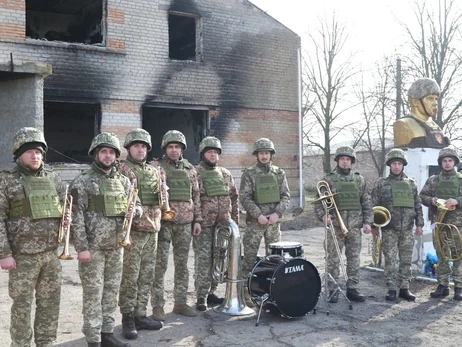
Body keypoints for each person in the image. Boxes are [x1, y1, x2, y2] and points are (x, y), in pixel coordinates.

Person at [70, 132, 142, 347]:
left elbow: (135, 203)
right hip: (93, 249)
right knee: (93, 294)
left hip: (116, 246)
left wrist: (136, 211)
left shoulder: (123, 181)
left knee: (111, 291)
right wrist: (81, 248)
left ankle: (107, 333)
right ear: (95, 154)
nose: (108, 156)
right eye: (103, 151)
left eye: (111, 152)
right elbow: (75, 217)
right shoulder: (83, 181)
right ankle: (93, 339)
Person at [0, 127, 65, 347]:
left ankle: (45, 343)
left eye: (38, 152)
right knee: (22, 306)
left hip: (50, 255)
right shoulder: (6, 181)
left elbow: (67, 210)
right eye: (30, 152)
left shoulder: (53, 179)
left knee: (50, 304)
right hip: (22, 257)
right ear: (18, 154)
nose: (35, 156)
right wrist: (4, 253)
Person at [150, 130, 203, 320]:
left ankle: (180, 303)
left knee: (182, 264)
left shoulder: (191, 169)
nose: (174, 150)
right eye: (171, 147)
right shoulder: (156, 167)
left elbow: (196, 196)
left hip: (185, 224)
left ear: (182, 149)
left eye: (177, 147)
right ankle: (157, 306)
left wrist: (197, 220)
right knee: (160, 265)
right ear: (165, 148)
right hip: (164, 223)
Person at [118, 129, 163, 340]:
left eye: (144, 146)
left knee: (147, 275)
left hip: (152, 229)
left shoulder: (154, 170)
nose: (140, 149)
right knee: (130, 277)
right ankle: (127, 317)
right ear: (128, 148)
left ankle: (141, 314)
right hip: (133, 232)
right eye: (136, 146)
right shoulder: (122, 170)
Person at [314, 146, 373, 303]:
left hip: (354, 227)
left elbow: (366, 203)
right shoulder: (327, 180)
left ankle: (352, 289)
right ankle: (332, 290)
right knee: (333, 259)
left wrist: (368, 222)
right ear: (338, 160)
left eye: (348, 159)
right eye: (342, 159)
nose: (345, 162)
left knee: (353, 259)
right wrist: (323, 216)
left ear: (351, 161)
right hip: (335, 226)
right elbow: (318, 204)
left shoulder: (360, 180)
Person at [240, 138, 290, 307]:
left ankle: (271, 292)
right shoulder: (249, 173)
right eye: (261, 153)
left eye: (266, 153)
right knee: (249, 259)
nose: (264, 156)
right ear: (256, 155)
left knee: (275, 259)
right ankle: (246, 295)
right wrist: (258, 214)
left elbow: (286, 195)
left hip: (274, 223)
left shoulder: (279, 173)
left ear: (271, 155)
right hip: (256, 223)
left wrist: (277, 213)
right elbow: (244, 197)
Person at [371, 148, 424, 301]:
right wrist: (373, 226)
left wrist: (419, 224)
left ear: (403, 165)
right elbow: (373, 205)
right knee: (390, 259)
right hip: (389, 229)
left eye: (399, 163)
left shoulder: (412, 184)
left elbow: (418, 205)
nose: (396, 166)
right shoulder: (381, 184)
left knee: (406, 260)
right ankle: (391, 288)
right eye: (394, 163)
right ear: (389, 165)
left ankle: (404, 287)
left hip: (407, 229)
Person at [194, 136, 239, 311]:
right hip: (204, 225)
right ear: (203, 154)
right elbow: (194, 198)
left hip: (224, 225)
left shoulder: (225, 174)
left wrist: (234, 222)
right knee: (203, 260)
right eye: (209, 152)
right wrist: (197, 220)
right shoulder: (195, 173)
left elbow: (234, 197)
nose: (212, 155)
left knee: (219, 259)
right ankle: (201, 296)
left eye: (215, 152)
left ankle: (212, 291)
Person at [419, 146, 462, 301]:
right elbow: (422, 196)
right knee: (442, 255)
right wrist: (432, 200)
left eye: (450, 160)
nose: (447, 163)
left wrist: (457, 201)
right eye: (444, 160)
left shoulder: (461, 180)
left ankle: (459, 286)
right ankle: (442, 285)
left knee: (458, 256)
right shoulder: (433, 180)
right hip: (439, 224)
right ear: (441, 162)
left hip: (458, 225)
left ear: (455, 162)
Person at [393, 77, 450, 149]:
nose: (435, 103)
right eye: (430, 99)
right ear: (415, 102)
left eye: (436, 99)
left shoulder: (435, 126)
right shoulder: (403, 124)